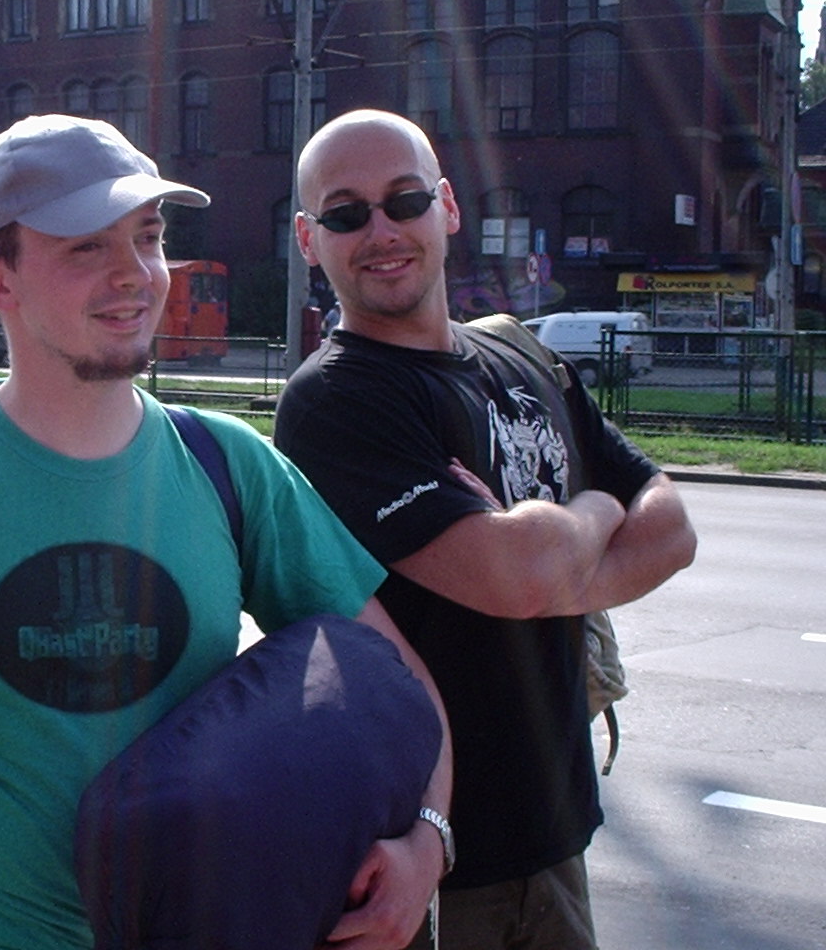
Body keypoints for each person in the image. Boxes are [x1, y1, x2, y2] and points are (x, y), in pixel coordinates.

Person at [0, 113, 452, 950]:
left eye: (149, 237)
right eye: (87, 247)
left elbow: (397, 682)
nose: (136, 274)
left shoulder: (230, 466)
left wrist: (427, 844)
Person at [274, 109, 697, 950]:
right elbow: (520, 577)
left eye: (404, 201)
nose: (381, 231)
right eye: (347, 213)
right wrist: (596, 508)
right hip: (419, 864)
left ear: (448, 206)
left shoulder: (520, 358)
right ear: (308, 239)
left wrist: (549, 556)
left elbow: (673, 529)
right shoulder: (336, 400)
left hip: (557, 834)